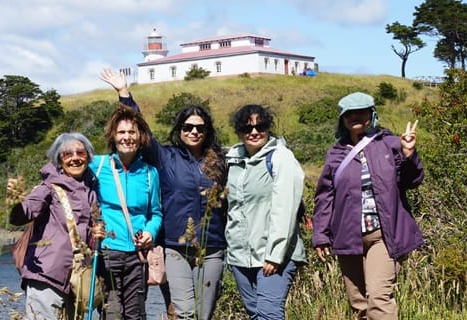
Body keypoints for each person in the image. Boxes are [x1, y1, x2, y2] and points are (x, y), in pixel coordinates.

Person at [101, 68, 228, 320]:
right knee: (185, 312)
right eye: (187, 127)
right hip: (174, 246)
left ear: (207, 131)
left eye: (200, 128)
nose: (194, 132)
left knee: (204, 314)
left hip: (212, 246)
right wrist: (124, 94)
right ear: (179, 130)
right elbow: (139, 130)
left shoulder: (220, 161)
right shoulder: (165, 157)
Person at [312, 92, 423, 320]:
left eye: (361, 112)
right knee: (359, 306)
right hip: (348, 236)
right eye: (349, 114)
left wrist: (409, 154)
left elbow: (411, 180)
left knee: (379, 299)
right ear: (342, 120)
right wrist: (320, 235)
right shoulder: (335, 153)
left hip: (383, 235)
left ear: (371, 115)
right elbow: (325, 196)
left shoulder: (390, 144)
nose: (355, 117)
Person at [7, 132, 103, 320]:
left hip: (76, 280)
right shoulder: (49, 188)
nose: (75, 158)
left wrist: (98, 233)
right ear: (59, 159)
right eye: (68, 154)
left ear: (88, 157)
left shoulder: (90, 190)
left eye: (80, 153)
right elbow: (25, 213)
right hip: (47, 277)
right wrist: (15, 204)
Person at [225, 104, 307, 320]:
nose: (254, 132)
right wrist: (231, 254)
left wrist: (275, 254)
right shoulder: (232, 161)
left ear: (268, 128)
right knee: (255, 315)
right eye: (247, 127)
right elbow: (232, 209)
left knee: (269, 315)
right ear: (238, 131)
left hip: (273, 256)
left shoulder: (281, 157)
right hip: (240, 257)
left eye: (260, 126)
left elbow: (285, 208)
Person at [91, 104, 164, 319]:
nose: (127, 137)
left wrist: (151, 231)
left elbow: (156, 213)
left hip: (137, 255)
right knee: (112, 313)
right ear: (113, 137)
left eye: (132, 132)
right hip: (107, 253)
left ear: (140, 136)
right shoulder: (98, 164)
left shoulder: (150, 173)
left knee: (136, 314)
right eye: (121, 132)